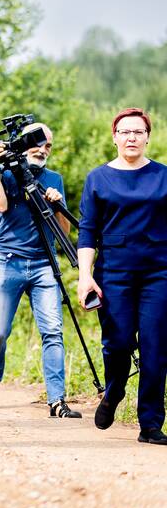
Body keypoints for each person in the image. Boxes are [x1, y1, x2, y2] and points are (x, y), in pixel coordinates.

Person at [78, 107, 167, 445]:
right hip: (114, 273)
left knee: (157, 349)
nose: (132, 137)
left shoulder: (163, 176)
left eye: (138, 132)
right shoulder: (98, 178)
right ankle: (114, 392)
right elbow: (87, 231)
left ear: (147, 137)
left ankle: (150, 424)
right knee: (117, 343)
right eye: (125, 132)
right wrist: (86, 276)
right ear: (114, 136)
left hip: (159, 273)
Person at [0, 123, 82, 418]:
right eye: (38, 143)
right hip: (7, 259)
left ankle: (57, 400)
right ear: (25, 144)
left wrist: (58, 204)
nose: (42, 149)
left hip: (44, 263)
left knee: (52, 331)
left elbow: (62, 233)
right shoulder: (7, 174)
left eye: (48, 145)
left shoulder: (55, 179)